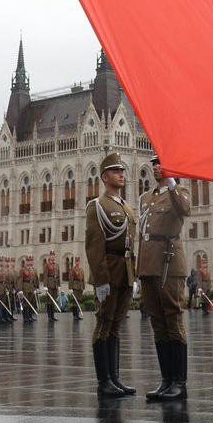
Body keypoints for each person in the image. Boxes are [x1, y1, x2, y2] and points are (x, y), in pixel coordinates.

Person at [137, 155, 191, 401]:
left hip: (169, 261)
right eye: (155, 164)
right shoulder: (146, 198)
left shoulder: (179, 191)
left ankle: (179, 382)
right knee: (157, 321)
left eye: (162, 164)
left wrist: (171, 183)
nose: (157, 167)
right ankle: (166, 380)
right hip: (149, 263)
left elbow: (185, 210)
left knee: (172, 318)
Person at [86, 153, 137, 399]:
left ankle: (115, 378)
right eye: (117, 171)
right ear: (105, 177)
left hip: (126, 270)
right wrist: (101, 280)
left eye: (123, 171)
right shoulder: (97, 206)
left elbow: (131, 242)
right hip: (110, 270)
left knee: (115, 325)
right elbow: (94, 246)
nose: (122, 175)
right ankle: (103, 381)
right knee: (103, 324)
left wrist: (134, 276)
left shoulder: (126, 207)